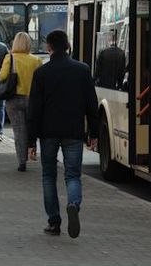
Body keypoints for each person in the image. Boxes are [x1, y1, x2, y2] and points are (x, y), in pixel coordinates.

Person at [28, 29, 98, 238]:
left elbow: (34, 110)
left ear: (48, 47)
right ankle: (73, 204)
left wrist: (31, 142)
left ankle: (54, 222)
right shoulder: (82, 70)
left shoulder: (41, 73)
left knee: (48, 176)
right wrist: (93, 133)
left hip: (48, 132)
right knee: (73, 175)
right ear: (68, 46)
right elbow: (91, 104)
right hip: (73, 131)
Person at [0, 31, 43, 172]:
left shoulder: (10, 58)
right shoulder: (36, 60)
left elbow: (2, 76)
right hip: (32, 99)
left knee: (19, 131)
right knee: (32, 128)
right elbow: (41, 81)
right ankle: (32, 151)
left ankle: (22, 161)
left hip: (14, 99)